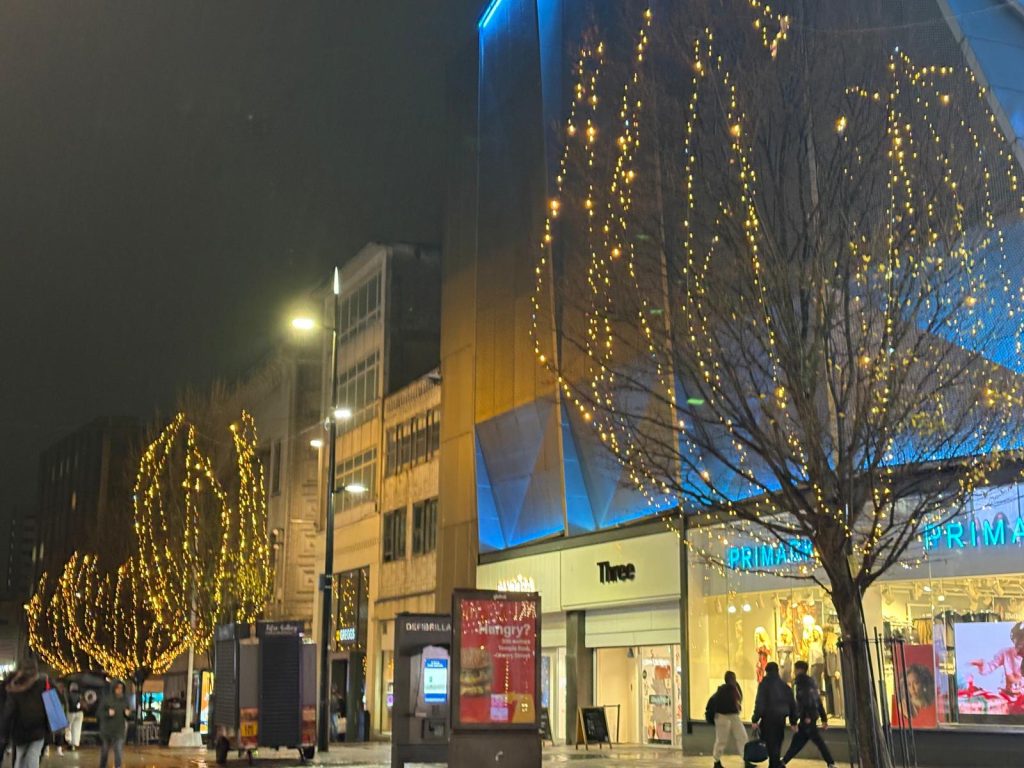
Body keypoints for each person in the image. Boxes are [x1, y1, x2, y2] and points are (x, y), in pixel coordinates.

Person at [781, 660, 836, 768]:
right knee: (799, 741)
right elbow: (817, 700)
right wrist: (824, 718)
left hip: (807, 718)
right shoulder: (812, 682)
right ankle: (783, 762)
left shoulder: (799, 683)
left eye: (795, 669)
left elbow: (802, 701)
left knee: (812, 742)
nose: (794, 671)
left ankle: (831, 763)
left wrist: (802, 717)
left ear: (798, 670)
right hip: (811, 716)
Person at [3, 660, 49, 768]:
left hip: (19, 730)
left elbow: (9, 712)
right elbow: (51, 703)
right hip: (39, 728)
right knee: (33, 756)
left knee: (20, 757)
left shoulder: (14, 686)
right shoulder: (43, 684)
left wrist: (4, 732)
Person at [752, 661, 796, 768]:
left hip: (767, 720)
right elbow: (792, 704)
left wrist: (755, 719)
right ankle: (775, 764)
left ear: (766, 671)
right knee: (777, 745)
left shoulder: (764, 684)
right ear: (777, 671)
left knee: (771, 747)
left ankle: (774, 765)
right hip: (780, 720)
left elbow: (760, 703)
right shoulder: (785, 686)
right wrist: (793, 721)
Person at [970, 621, 1024, 696]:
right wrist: (981, 664)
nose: (1019, 646)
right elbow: (988, 668)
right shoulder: (1005, 653)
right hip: (1006, 694)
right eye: (1018, 641)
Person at [709, 671, 747, 768]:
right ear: (731, 679)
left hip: (728, 716)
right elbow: (737, 700)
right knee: (725, 739)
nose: (735, 680)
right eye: (733, 678)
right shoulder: (729, 689)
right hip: (724, 716)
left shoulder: (726, 689)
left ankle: (717, 761)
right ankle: (716, 761)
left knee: (739, 737)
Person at [97, 682, 131, 768]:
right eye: (118, 688)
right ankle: (102, 766)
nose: (120, 690)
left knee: (118, 750)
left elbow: (129, 714)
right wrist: (107, 713)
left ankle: (118, 766)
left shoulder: (124, 700)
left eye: (121, 688)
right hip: (107, 731)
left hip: (119, 730)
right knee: (105, 751)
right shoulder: (107, 699)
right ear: (114, 689)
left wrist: (128, 714)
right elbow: (98, 713)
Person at [66, 683, 84, 752]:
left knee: (69, 727)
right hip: (80, 713)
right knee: (77, 728)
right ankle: (75, 744)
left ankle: (69, 742)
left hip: (70, 712)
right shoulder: (80, 695)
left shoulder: (68, 695)